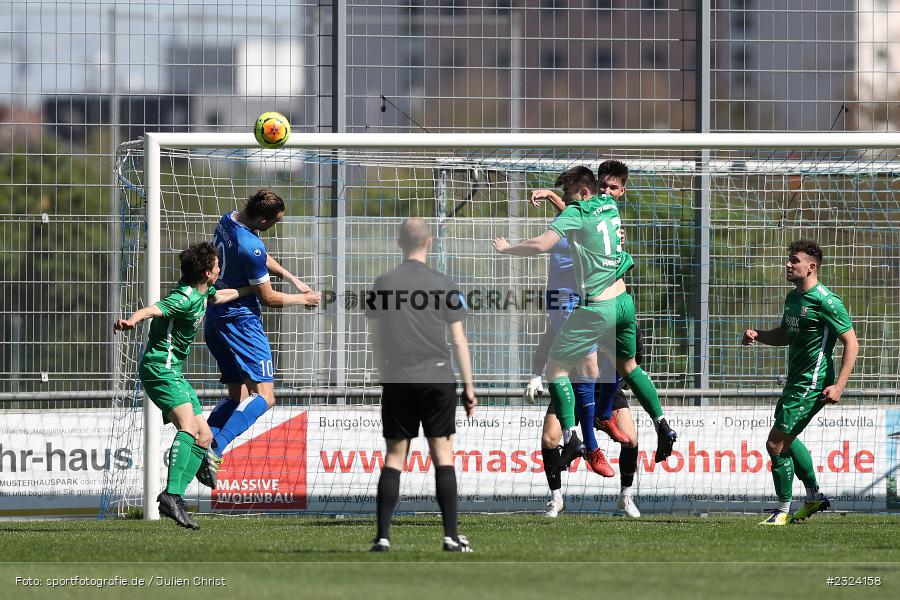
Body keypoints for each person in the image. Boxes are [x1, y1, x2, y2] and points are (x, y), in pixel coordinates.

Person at [493, 162, 676, 479]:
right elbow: (578, 213)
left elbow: (542, 243)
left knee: (560, 370)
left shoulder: (578, 213)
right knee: (626, 367)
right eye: (603, 185)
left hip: (594, 306)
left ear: (582, 193)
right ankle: (661, 424)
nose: (607, 191)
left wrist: (508, 249)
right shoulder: (608, 206)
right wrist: (553, 197)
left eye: (570, 194)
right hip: (623, 303)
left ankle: (579, 441)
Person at [113, 242, 251, 529]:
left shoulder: (204, 291)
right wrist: (132, 321)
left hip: (173, 371)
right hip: (159, 369)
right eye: (216, 265)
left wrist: (253, 290)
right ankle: (171, 495)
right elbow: (153, 309)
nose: (219, 268)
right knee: (188, 426)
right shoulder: (184, 297)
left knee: (203, 436)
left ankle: (176, 496)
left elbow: (219, 295)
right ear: (207, 272)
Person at [524, 179, 640, 518]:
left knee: (630, 438)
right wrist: (534, 374)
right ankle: (556, 497)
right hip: (572, 383)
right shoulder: (568, 294)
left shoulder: (604, 288)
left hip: (606, 385)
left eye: (614, 188)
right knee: (549, 438)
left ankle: (626, 495)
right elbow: (570, 219)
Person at [365, 218, 478, 552]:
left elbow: (376, 339)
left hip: (397, 377)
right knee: (443, 454)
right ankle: (450, 536)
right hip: (437, 377)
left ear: (400, 243)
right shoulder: (444, 282)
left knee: (394, 456)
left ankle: (383, 537)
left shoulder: (383, 282)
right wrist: (469, 387)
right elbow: (459, 340)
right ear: (428, 242)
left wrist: (384, 376)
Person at [201, 189, 321, 484]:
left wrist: (292, 278)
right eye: (275, 222)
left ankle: (200, 446)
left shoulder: (228, 220)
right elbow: (267, 297)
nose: (275, 226)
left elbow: (260, 257)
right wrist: (302, 299)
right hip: (241, 324)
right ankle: (215, 447)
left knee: (238, 395)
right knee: (264, 397)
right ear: (264, 219)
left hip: (215, 317)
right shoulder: (250, 244)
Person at [742, 240, 858, 526]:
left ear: (811, 267)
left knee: (775, 444)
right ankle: (814, 496)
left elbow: (851, 343)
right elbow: (786, 334)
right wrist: (759, 335)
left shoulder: (826, 301)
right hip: (796, 381)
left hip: (812, 382)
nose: (788, 264)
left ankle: (781, 511)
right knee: (787, 440)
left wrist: (839, 386)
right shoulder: (793, 297)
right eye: (788, 260)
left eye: (794, 260)